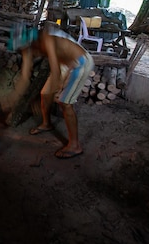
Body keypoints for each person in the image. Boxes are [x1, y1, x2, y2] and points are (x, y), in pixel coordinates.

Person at [7, 22, 94, 159]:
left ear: (31, 41)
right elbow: (25, 76)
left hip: (80, 63)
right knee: (45, 94)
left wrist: (57, 91)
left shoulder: (47, 37)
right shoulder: (27, 47)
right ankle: (46, 124)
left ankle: (75, 145)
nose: (25, 51)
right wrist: (13, 97)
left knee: (65, 102)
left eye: (25, 47)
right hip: (64, 63)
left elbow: (55, 70)